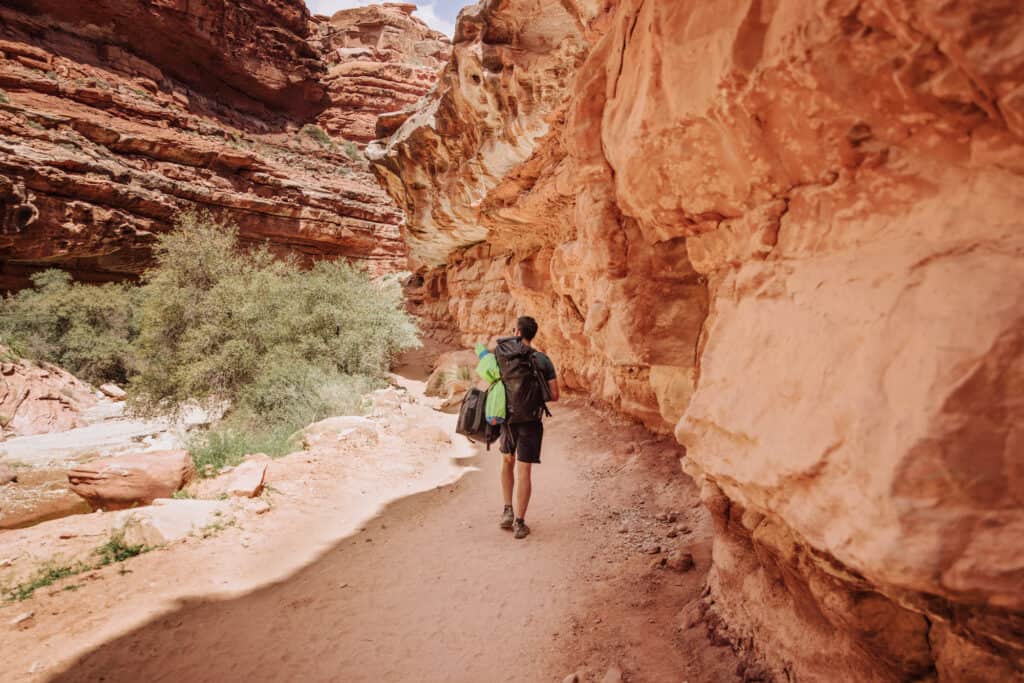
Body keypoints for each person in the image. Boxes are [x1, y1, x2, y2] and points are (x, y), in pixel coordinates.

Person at [497, 316, 558, 539]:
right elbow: (554, 395)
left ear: (516, 332)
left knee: (506, 461)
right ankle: (520, 523)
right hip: (531, 421)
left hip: (508, 419)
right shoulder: (542, 360)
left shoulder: (502, 355)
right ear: (533, 334)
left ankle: (507, 510)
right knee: (524, 471)